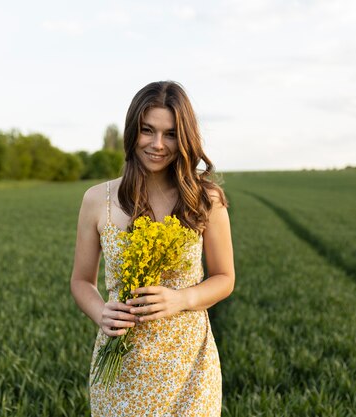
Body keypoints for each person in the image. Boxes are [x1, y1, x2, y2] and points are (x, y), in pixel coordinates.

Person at [70, 80, 235, 416]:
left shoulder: (206, 199)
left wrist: (182, 299)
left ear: (184, 137)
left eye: (171, 134)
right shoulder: (95, 200)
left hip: (190, 364)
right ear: (133, 132)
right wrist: (101, 311)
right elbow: (80, 281)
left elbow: (224, 277)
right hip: (121, 367)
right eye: (148, 130)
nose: (158, 144)